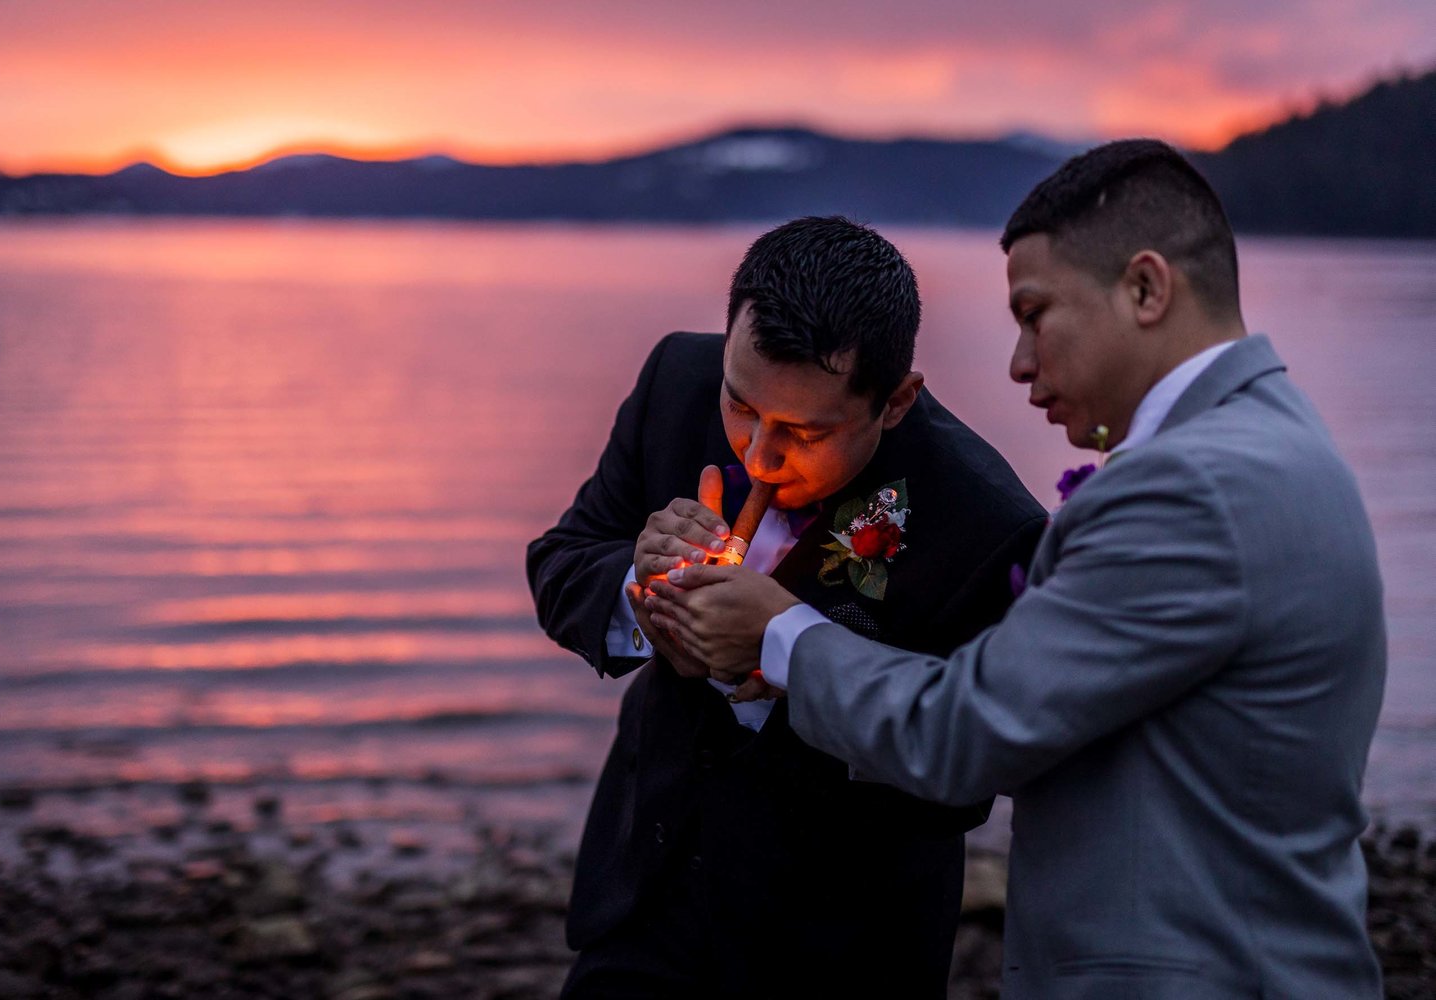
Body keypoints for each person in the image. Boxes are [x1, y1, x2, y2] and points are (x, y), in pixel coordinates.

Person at [650, 142, 1387, 998]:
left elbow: (965, 734)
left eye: (1036, 314)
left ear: (1147, 289)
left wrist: (774, 632)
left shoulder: (1193, 489)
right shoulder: (1279, 441)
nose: (1019, 363)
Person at [527, 216, 1047, 998]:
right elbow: (561, 561)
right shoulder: (677, 379)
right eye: (742, 407)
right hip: (646, 896)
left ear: (897, 400)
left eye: (805, 430)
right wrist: (644, 593)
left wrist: (781, 663)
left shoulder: (986, 522)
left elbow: (963, 775)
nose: (759, 454)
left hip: (841, 944)